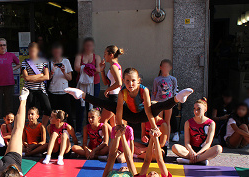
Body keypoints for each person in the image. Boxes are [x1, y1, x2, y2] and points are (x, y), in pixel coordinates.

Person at [64, 69, 193, 126]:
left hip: (143, 114)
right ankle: (81, 94)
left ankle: (178, 98)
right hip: (129, 115)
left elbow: (148, 110)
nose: (130, 84)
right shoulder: (122, 92)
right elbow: (119, 110)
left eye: (133, 81)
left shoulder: (144, 90)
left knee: (158, 106)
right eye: (127, 81)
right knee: (109, 104)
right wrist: (119, 125)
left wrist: (153, 126)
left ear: (138, 81)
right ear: (124, 81)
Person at [172, 98, 222, 165]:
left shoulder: (211, 123)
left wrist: (198, 153)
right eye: (194, 109)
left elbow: (208, 143)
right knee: (174, 147)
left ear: (205, 110)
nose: (196, 111)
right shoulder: (188, 122)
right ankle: (201, 160)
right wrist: (192, 151)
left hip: (204, 151)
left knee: (218, 148)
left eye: (199, 109)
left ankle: (190, 161)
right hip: (191, 151)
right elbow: (187, 142)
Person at [74, 37, 102, 133]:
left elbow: (99, 69)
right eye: (87, 45)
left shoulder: (97, 57)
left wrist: (88, 69)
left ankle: (93, 130)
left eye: (90, 45)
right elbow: (76, 67)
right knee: (80, 107)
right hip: (81, 85)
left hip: (94, 84)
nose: (88, 47)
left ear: (93, 46)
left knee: (92, 108)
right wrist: (88, 68)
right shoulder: (79, 56)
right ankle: (79, 130)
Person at [21, 42, 51, 126]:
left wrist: (33, 77)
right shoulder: (25, 62)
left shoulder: (44, 62)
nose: (32, 53)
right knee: (31, 111)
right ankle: (32, 127)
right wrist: (40, 75)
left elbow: (47, 77)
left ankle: (42, 128)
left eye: (34, 51)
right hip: (29, 89)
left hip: (40, 89)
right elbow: (26, 78)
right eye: (30, 51)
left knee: (48, 109)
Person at [48, 43, 74, 129]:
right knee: (54, 114)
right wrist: (52, 72)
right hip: (53, 91)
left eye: (58, 51)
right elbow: (47, 78)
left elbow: (70, 78)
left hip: (64, 91)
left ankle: (71, 131)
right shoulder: (49, 62)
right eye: (55, 52)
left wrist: (63, 72)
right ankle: (54, 131)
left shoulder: (66, 61)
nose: (57, 53)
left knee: (67, 113)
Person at [152, 59, 178, 143]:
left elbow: (174, 91)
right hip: (159, 102)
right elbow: (154, 91)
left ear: (170, 68)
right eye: (164, 66)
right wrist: (152, 102)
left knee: (167, 121)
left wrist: (174, 101)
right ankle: (159, 138)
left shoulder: (173, 79)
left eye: (167, 66)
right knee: (159, 120)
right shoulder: (157, 79)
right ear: (160, 67)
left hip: (168, 103)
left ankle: (166, 140)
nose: (165, 68)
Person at [99, 45, 124, 127]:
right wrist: (102, 70)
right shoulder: (113, 66)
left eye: (105, 54)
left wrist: (107, 90)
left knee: (102, 122)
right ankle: (115, 139)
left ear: (111, 55)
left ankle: (106, 139)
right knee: (113, 124)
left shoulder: (114, 67)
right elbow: (106, 82)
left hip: (114, 97)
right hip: (113, 96)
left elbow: (119, 83)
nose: (104, 56)